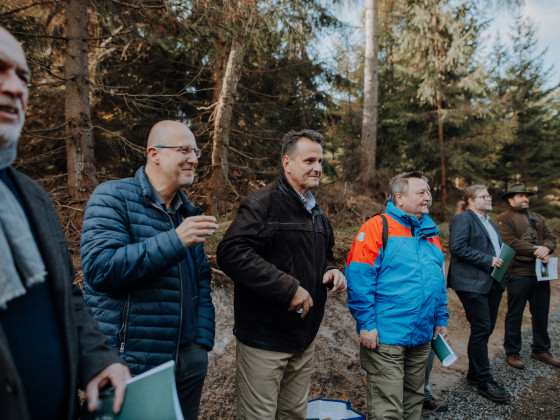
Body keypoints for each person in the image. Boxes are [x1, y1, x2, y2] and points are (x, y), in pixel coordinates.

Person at [0, 26, 130, 419]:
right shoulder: (112, 198)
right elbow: (102, 268)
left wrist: (98, 359)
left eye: (23, 77)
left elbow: (66, 296)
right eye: (0, 71)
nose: (15, 88)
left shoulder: (31, 195)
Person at [80, 120, 218, 419]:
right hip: (132, 364)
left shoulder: (186, 211)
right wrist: (175, 240)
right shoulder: (112, 197)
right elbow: (100, 269)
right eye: (183, 150)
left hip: (186, 364)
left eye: (195, 151)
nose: (194, 159)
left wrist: (200, 346)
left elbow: (202, 281)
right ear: (154, 154)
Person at [217, 129, 346, 419]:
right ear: (287, 163)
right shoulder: (262, 204)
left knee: (293, 414)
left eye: (321, 161)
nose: (317, 168)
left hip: (303, 337)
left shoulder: (318, 212)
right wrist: (287, 288)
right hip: (265, 338)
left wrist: (332, 270)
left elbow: (325, 255)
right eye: (309, 160)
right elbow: (232, 252)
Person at [346, 171, 449, 420]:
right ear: (399, 198)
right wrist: (367, 324)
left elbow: (437, 281)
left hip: (423, 334)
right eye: (421, 192)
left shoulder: (429, 232)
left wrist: (440, 318)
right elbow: (359, 279)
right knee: (387, 408)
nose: (428, 197)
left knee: (413, 399)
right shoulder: (376, 227)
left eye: (428, 191)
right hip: (386, 336)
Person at [447, 185, 511, 402]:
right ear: (470, 200)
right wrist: (489, 260)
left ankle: (475, 375)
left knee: (485, 329)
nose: (489, 198)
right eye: (484, 196)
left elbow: (496, 250)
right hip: (470, 283)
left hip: (492, 283)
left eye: (489, 195)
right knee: (482, 328)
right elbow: (457, 247)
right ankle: (484, 380)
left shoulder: (490, 223)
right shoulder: (464, 219)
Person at [497, 183, 559, 369]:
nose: (525, 198)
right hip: (518, 274)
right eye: (520, 196)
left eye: (526, 195)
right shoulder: (504, 219)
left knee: (541, 314)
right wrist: (537, 250)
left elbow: (551, 237)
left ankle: (540, 349)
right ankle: (512, 352)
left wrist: (547, 247)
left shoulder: (538, 218)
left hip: (541, 274)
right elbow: (511, 243)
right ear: (510, 199)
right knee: (515, 314)